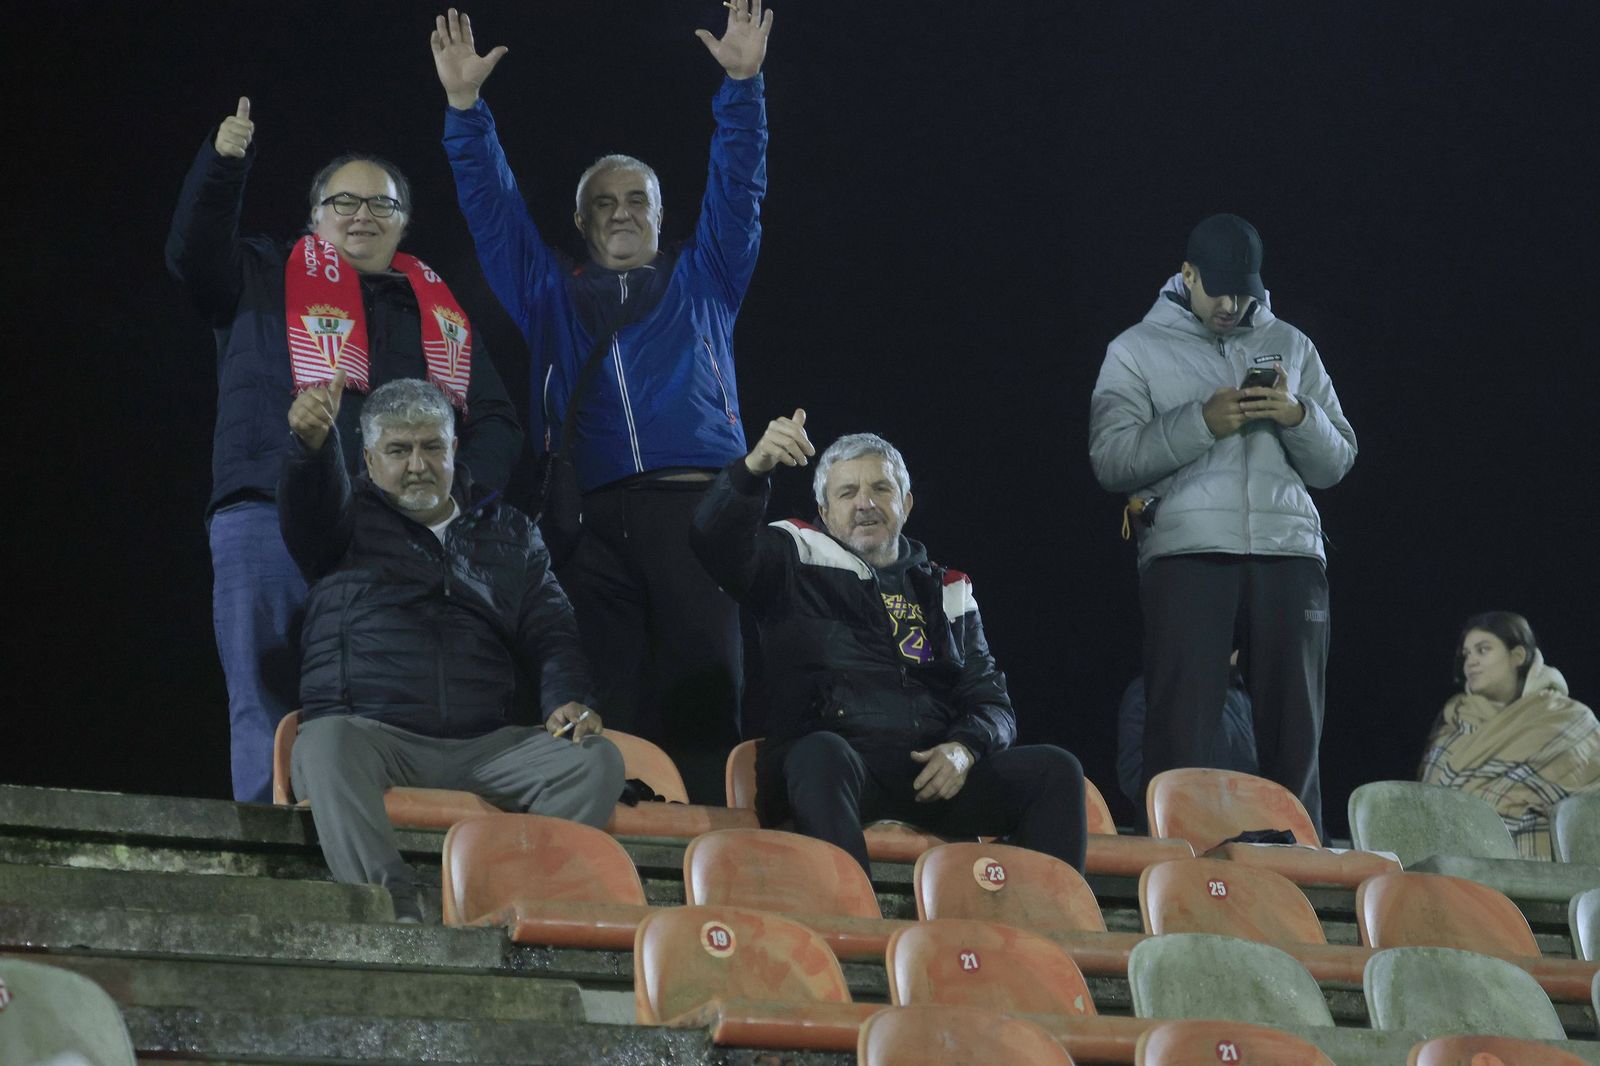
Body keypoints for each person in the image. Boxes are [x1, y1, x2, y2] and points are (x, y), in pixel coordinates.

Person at [429, 4, 773, 805]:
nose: (622, 213)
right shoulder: (550, 293)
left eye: (638, 201)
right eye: (604, 204)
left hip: (694, 511)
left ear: (660, 214)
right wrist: (464, 112)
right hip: (585, 519)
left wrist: (743, 86)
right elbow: (493, 209)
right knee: (599, 698)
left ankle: (705, 849)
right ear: (581, 222)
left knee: (703, 691)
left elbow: (739, 184)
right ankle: (609, 847)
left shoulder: (707, 278)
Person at [166, 99, 521, 803]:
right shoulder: (260, 272)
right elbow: (192, 253)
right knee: (263, 689)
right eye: (344, 201)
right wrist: (223, 163)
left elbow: (496, 419)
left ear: (404, 221)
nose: (362, 215)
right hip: (266, 509)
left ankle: (364, 845)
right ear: (315, 215)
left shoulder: (435, 310)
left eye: (381, 205)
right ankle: (271, 849)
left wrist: (454, 497)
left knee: (379, 700)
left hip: (389, 532)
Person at [277, 376, 623, 921]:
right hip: (373, 735)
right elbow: (309, 505)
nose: (417, 464)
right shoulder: (341, 521)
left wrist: (567, 695)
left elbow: (553, 626)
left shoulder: (508, 531)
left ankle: (499, 893)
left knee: (595, 762)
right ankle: (396, 909)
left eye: (431, 446)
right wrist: (310, 449)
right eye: (398, 450)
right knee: (322, 744)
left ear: (454, 448)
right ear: (368, 459)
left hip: (486, 745)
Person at [691, 409, 1088, 874]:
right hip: (836, 769)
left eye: (881, 489)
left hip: (930, 775)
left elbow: (992, 703)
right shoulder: (789, 557)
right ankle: (854, 922)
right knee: (819, 754)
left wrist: (963, 749)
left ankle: (1047, 935)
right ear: (824, 511)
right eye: (847, 492)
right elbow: (711, 540)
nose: (866, 503)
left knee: (1056, 771)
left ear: (907, 504)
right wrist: (753, 468)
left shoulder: (948, 590)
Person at [1089, 213, 1356, 840]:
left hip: (1290, 552)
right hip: (1188, 553)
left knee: (1296, 733)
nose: (1232, 305)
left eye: (1244, 292)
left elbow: (1338, 460)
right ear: (1187, 276)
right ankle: (1175, 868)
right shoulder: (1134, 350)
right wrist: (1201, 421)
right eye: (1219, 291)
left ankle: (1299, 876)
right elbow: (1111, 458)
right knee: (1180, 729)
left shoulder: (1292, 344)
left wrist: (1297, 414)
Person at [1418, 612, 1599, 860]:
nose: (1470, 662)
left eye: (1483, 650)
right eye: (1467, 654)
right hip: (1451, 870)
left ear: (1517, 656)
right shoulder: (1454, 721)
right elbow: (1426, 807)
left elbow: (1588, 808)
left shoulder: (1567, 720)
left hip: (1538, 871)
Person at [1116, 651, 1258, 809]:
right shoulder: (1147, 692)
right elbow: (1133, 776)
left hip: (1247, 823)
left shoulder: (1245, 699)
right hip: (1176, 823)